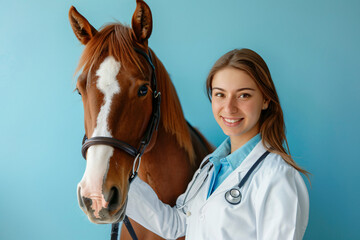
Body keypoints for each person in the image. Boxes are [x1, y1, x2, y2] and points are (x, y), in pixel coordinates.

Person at [126, 48, 309, 239]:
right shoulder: (210, 168)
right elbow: (178, 225)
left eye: (244, 95)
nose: (229, 108)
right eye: (220, 94)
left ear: (265, 100)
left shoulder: (278, 177)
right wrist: (125, 181)